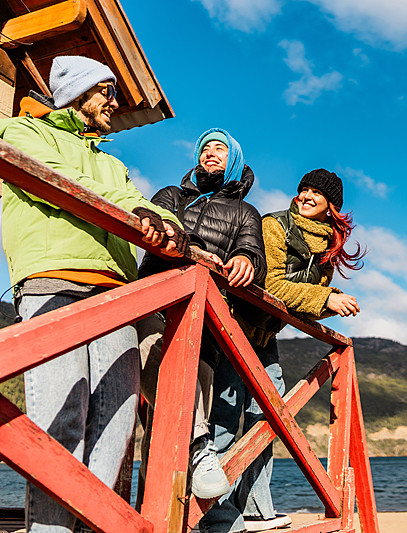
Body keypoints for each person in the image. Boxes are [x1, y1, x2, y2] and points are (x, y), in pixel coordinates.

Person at [0, 55, 189, 533]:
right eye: (107, 91)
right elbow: (64, 183)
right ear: (79, 92)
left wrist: (174, 230)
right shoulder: (21, 132)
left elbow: (145, 205)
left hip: (117, 294)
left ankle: (92, 527)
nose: (114, 102)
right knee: (63, 422)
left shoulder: (112, 162)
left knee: (114, 430)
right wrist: (137, 211)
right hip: (52, 279)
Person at [202, 168, 364, 533]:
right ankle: (215, 517)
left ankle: (258, 510)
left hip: (266, 339)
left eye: (315, 193)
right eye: (303, 189)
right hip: (235, 327)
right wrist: (328, 298)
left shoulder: (328, 246)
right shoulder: (276, 225)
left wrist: (328, 301)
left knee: (271, 420)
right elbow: (272, 284)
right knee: (226, 420)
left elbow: (304, 302)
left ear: (331, 206)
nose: (305, 196)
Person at [137, 128, 267, 505]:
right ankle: (199, 447)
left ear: (235, 160)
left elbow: (252, 252)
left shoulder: (245, 212)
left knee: (162, 427)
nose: (211, 153)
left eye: (220, 149)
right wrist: (193, 250)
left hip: (206, 320)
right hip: (154, 303)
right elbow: (162, 227)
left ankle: (154, 515)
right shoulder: (171, 195)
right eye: (205, 148)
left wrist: (246, 261)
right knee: (171, 421)